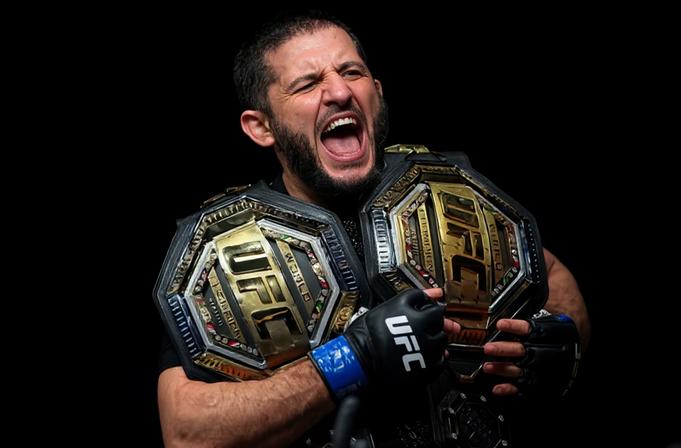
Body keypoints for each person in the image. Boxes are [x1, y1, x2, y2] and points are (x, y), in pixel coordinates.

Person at [157, 11, 590, 448]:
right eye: (308, 84)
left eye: (351, 72)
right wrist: (351, 358)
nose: (340, 92)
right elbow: (187, 433)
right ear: (261, 126)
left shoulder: (450, 194)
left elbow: (551, 275)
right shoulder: (219, 254)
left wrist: (559, 336)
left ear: (376, 94)